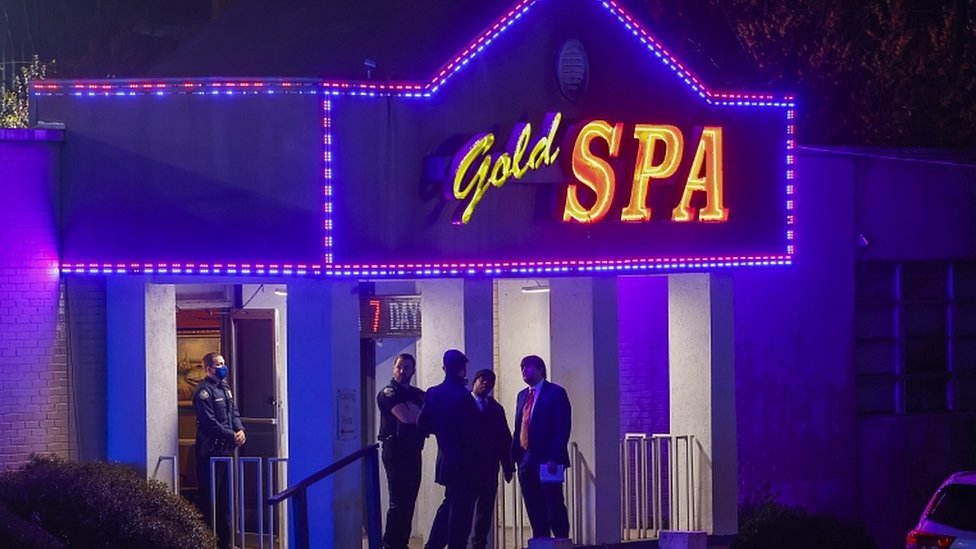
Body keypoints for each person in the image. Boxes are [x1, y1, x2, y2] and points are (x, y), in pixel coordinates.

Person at [418, 349, 481, 549]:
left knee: (449, 504)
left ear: (444, 368)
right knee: (462, 512)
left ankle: (433, 545)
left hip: (446, 458)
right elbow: (472, 433)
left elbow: (423, 424)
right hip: (467, 461)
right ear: (462, 369)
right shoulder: (464, 396)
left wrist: (442, 431)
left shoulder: (433, 393)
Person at [510, 354, 572, 540]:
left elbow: (561, 427)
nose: (524, 371)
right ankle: (540, 539)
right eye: (522, 367)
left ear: (540, 370)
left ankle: (561, 539)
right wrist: (514, 456)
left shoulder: (555, 393)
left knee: (553, 502)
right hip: (525, 459)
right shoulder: (522, 395)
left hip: (548, 459)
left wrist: (554, 456)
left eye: (528, 367)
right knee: (533, 503)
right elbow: (518, 425)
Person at [192, 352, 245, 549]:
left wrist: (239, 429)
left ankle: (226, 544)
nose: (223, 367)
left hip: (226, 452)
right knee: (210, 500)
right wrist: (231, 434)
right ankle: (207, 543)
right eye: (218, 364)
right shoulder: (203, 392)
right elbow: (209, 423)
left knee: (225, 501)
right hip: (210, 453)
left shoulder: (225, 388)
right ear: (208, 369)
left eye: (223, 363)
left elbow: (234, 413)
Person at [376, 353, 426, 549]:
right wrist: (415, 411)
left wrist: (416, 411)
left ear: (413, 370)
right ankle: (390, 544)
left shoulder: (418, 394)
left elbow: (427, 415)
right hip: (395, 451)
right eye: (399, 367)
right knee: (397, 502)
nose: (402, 371)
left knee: (410, 500)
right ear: (393, 369)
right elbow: (406, 417)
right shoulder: (388, 393)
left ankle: (402, 543)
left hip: (414, 450)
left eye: (406, 367)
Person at [468, 369, 515, 549]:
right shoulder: (464, 404)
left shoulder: (495, 408)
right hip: (467, 467)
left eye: (490, 382)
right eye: (482, 380)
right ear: (474, 381)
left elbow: (504, 438)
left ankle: (478, 544)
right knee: (464, 508)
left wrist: (507, 465)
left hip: (489, 467)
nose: (486, 384)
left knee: (485, 511)